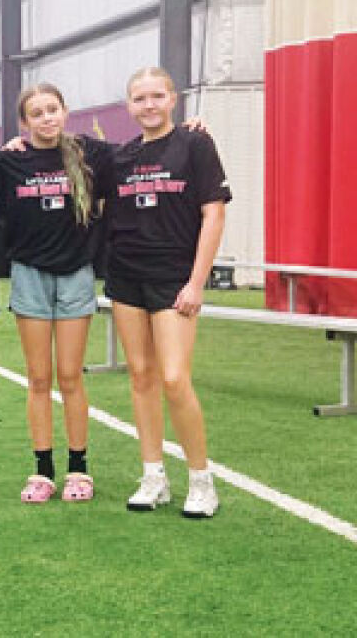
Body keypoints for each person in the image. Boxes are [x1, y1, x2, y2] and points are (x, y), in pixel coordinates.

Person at [108, 67, 229, 518]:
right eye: (139, 98)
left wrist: (197, 282)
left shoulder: (195, 144)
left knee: (175, 378)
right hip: (126, 277)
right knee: (141, 375)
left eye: (156, 96)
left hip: (174, 279)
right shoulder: (120, 157)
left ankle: (202, 481)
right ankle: (153, 475)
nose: (148, 105)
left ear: (173, 99)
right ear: (129, 106)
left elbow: (213, 216)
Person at [0, 83, 113, 504]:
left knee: (71, 377)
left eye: (52, 109)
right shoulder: (9, 161)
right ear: (24, 122)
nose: (46, 118)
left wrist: (191, 127)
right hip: (30, 276)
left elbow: (142, 155)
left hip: (76, 275)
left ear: (65, 110)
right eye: (36, 113)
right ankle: (42, 472)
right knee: (39, 379)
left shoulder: (89, 154)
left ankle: (79, 469)